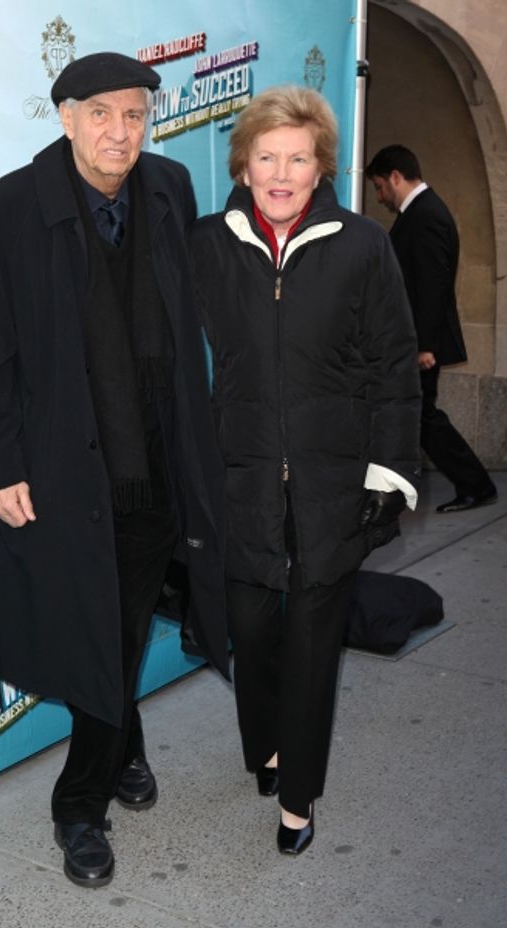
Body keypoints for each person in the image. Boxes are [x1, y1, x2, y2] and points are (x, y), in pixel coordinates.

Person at [0, 52, 229, 888]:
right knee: (98, 627)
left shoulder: (171, 187)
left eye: (136, 115)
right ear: (67, 116)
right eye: (102, 114)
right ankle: (83, 804)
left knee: (123, 618)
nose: (121, 132)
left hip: (155, 461)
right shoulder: (9, 207)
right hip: (63, 470)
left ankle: (109, 761)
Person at [191, 86, 421, 855]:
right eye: (266, 157)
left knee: (315, 643)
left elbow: (394, 367)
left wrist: (386, 476)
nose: (280, 173)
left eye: (297, 157)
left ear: (322, 166)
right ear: (244, 164)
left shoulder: (363, 246)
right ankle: (267, 747)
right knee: (251, 634)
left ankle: (298, 798)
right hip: (242, 479)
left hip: (332, 485)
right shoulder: (208, 244)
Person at [365, 144, 497, 513]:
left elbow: (432, 285)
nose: (380, 197)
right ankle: (471, 483)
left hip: (420, 343)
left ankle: (476, 484)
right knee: (421, 415)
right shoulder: (422, 213)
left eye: (379, 187)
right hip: (414, 339)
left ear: (395, 177)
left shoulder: (426, 215)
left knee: (424, 416)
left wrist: (424, 345)